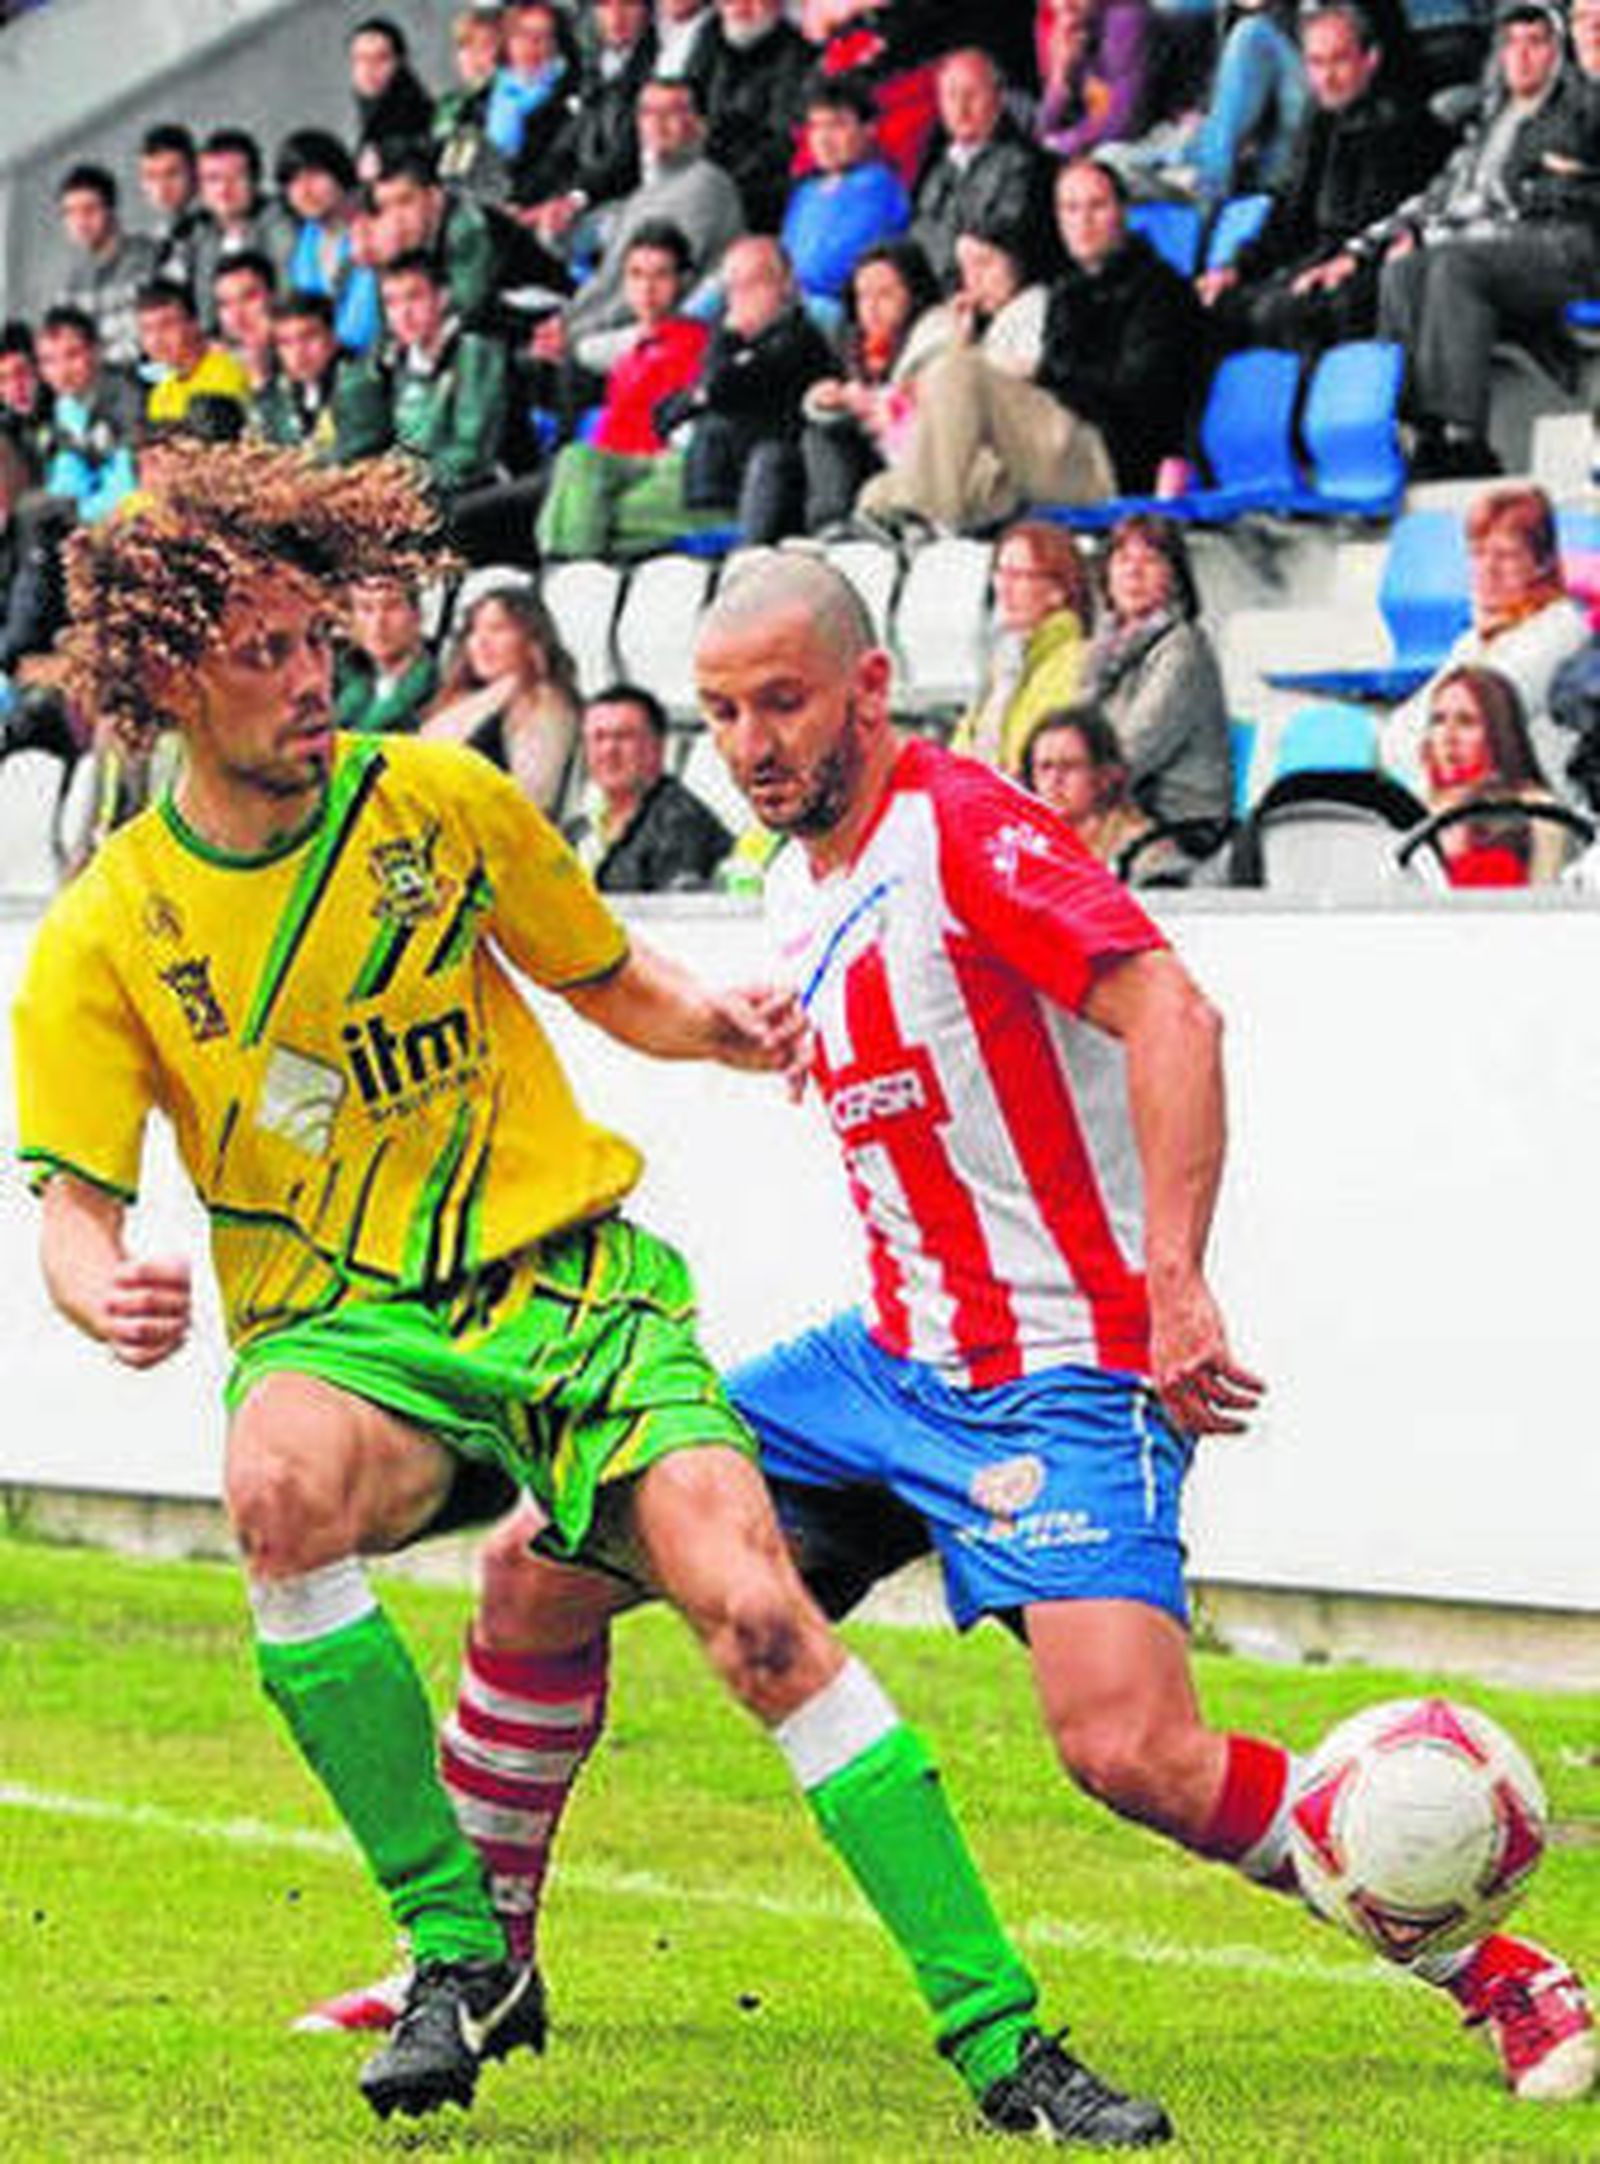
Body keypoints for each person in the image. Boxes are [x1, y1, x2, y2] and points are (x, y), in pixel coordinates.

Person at [312, 549, 1597, 2123]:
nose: (752, 741)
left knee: (1129, 1749)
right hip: (884, 1368)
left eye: (782, 702)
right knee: (533, 1565)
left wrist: (1175, 1285)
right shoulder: (797, 879)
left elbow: (1173, 1013)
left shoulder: (967, 830)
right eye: (723, 712)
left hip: (1064, 1377)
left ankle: (1505, 1972)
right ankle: (477, 1960)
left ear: (869, 688)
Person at [13, 443, 1167, 2148]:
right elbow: (71, 1200)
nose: (311, 675)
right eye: (263, 651)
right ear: (168, 676)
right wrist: (99, 1281)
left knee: (765, 1615)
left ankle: (1008, 2043)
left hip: (578, 1295)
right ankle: (455, 1945)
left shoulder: (441, 800)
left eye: (317, 636)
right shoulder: (106, 931)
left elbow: (609, 976)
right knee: (273, 1489)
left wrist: (718, 1024)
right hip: (349, 1333)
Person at [1363, 0, 1600, 478]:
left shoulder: (1577, 100)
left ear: (1559, 50)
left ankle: (1463, 439)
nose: (1522, 55)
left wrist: (1544, 185)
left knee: (1454, 264)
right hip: (1502, 246)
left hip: (1566, 246)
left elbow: (1550, 189)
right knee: (1403, 270)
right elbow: (1440, 195)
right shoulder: (1493, 117)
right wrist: (1368, 245)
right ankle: (1417, 430)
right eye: (1511, 43)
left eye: (1536, 43)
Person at [1195, 1, 1447, 357]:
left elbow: (1387, 227)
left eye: (1339, 61)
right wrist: (1236, 268)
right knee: (1210, 306)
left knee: (1279, 314)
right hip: (1311, 266)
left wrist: (1330, 266)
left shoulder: (1405, 128)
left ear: (1370, 60)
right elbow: (1286, 214)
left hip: (1359, 280)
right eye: (1316, 63)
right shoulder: (1319, 123)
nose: (1327, 76)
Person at [1381, 483, 1591, 798]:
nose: (1487, 570)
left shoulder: (1559, 633)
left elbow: (1466, 736)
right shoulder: (1476, 639)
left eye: (1506, 555)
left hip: (1526, 817)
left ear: (1543, 562)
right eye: (1477, 554)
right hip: (1459, 802)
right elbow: (1398, 734)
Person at [1086, 512, 1233, 830]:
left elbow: (1134, 751)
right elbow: (1072, 733)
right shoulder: (1103, 646)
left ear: (1175, 578)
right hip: (1114, 808)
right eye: (1122, 558)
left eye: (1150, 560)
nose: (1133, 572)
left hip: (1180, 824)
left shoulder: (1184, 649)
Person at [798, 235, 940, 529]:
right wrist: (821, 400)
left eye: (885, 294)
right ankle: (826, 528)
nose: (872, 307)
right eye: (863, 296)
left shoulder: (933, 337)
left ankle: (837, 525)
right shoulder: (852, 344)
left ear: (914, 293)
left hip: (919, 460)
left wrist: (871, 403)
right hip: (867, 455)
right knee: (808, 440)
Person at [421, 580, 580, 813]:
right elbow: (425, 753)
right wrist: (498, 692)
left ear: (532, 639)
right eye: (474, 631)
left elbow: (534, 800)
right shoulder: (474, 698)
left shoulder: (544, 700)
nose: (482, 642)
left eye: (498, 629)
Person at [951, 519, 1094, 774]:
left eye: (1019, 576)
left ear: (1058, 590)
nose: (1004, 588)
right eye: (1000, 573)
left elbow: (1034, 763)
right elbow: (963, 744)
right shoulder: (1004, 657)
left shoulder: (1077, 661)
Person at [1414, 662, 1577, 885]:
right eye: (1438, 720)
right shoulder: (1414, 809)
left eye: (1466, 722)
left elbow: (1544, 899)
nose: (1448, 737)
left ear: (1499, 733)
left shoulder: (1539, 811)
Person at [563, 682, 733, 889]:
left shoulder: (680, 825)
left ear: (658, 747)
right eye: (598, 737)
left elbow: (672, 914)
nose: (608, 750)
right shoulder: (580, 826)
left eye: (623, 737)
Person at [910, 47, 1051, 286]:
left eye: (972, 94)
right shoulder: (932, 166)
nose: (961, 107)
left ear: (999, 98)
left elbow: (1007, 238)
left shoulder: (1025, 163)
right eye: (951, 95)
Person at [780, 72, 911, 309]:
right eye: (816, 126)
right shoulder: (806, 193)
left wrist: (782, 285)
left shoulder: (879, 188)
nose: (824, 139)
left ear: (869, 128)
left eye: (837, 125)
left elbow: (836, 270)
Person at [35, 304, 142, 524]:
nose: (62, 371)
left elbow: (129, 484)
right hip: (96, 514)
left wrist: (83, 516)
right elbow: (69, 477)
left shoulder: (128, 398)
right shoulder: (64, 408)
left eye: (72, 355)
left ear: (96, 351)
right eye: (49, 361)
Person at [1021, 703, 1151, 870]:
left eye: (1069, 766)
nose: (1054, 779)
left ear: (1105, 775)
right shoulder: (1021, 843)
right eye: (1045, 767)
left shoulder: (1141, 851)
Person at [55, 163, 159, 370]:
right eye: (70, 213)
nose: (80, 221)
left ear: (111, 210)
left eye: (89, 209)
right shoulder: (71, 286)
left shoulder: (151, 258)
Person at [135, 277, 252, 427]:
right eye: (146, 330)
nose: (156, 339)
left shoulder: (229, 369)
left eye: (167, 324)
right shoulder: (159, 396)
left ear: (194, 324)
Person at [335, 570, 440, 734]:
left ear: (417, 616)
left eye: (391, 607)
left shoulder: (441, 687)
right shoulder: (332, 680)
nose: (378, 622)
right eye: (366, 609)